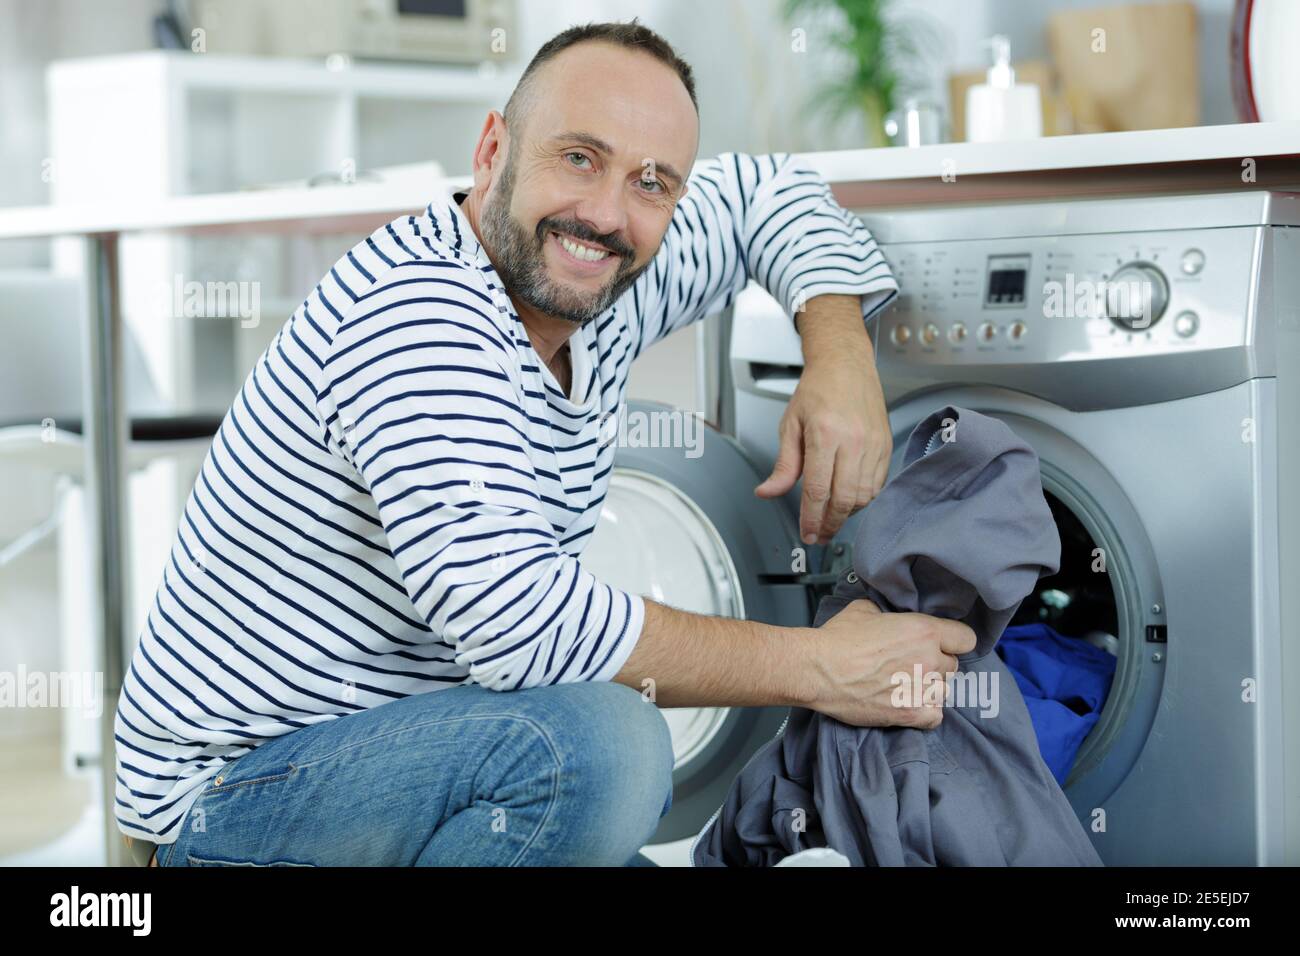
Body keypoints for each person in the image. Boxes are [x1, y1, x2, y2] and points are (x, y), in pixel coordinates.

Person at [116, 20, 975, 868]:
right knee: (605, 750)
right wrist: (825, 667)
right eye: (578, 157)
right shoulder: (420, 316)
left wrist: (838, 354)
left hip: (411, 774)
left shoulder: (601, 268)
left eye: (653, 183)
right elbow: (516, 623)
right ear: (494, 150)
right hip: (226, 811)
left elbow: (770, 192)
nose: (605, 213)